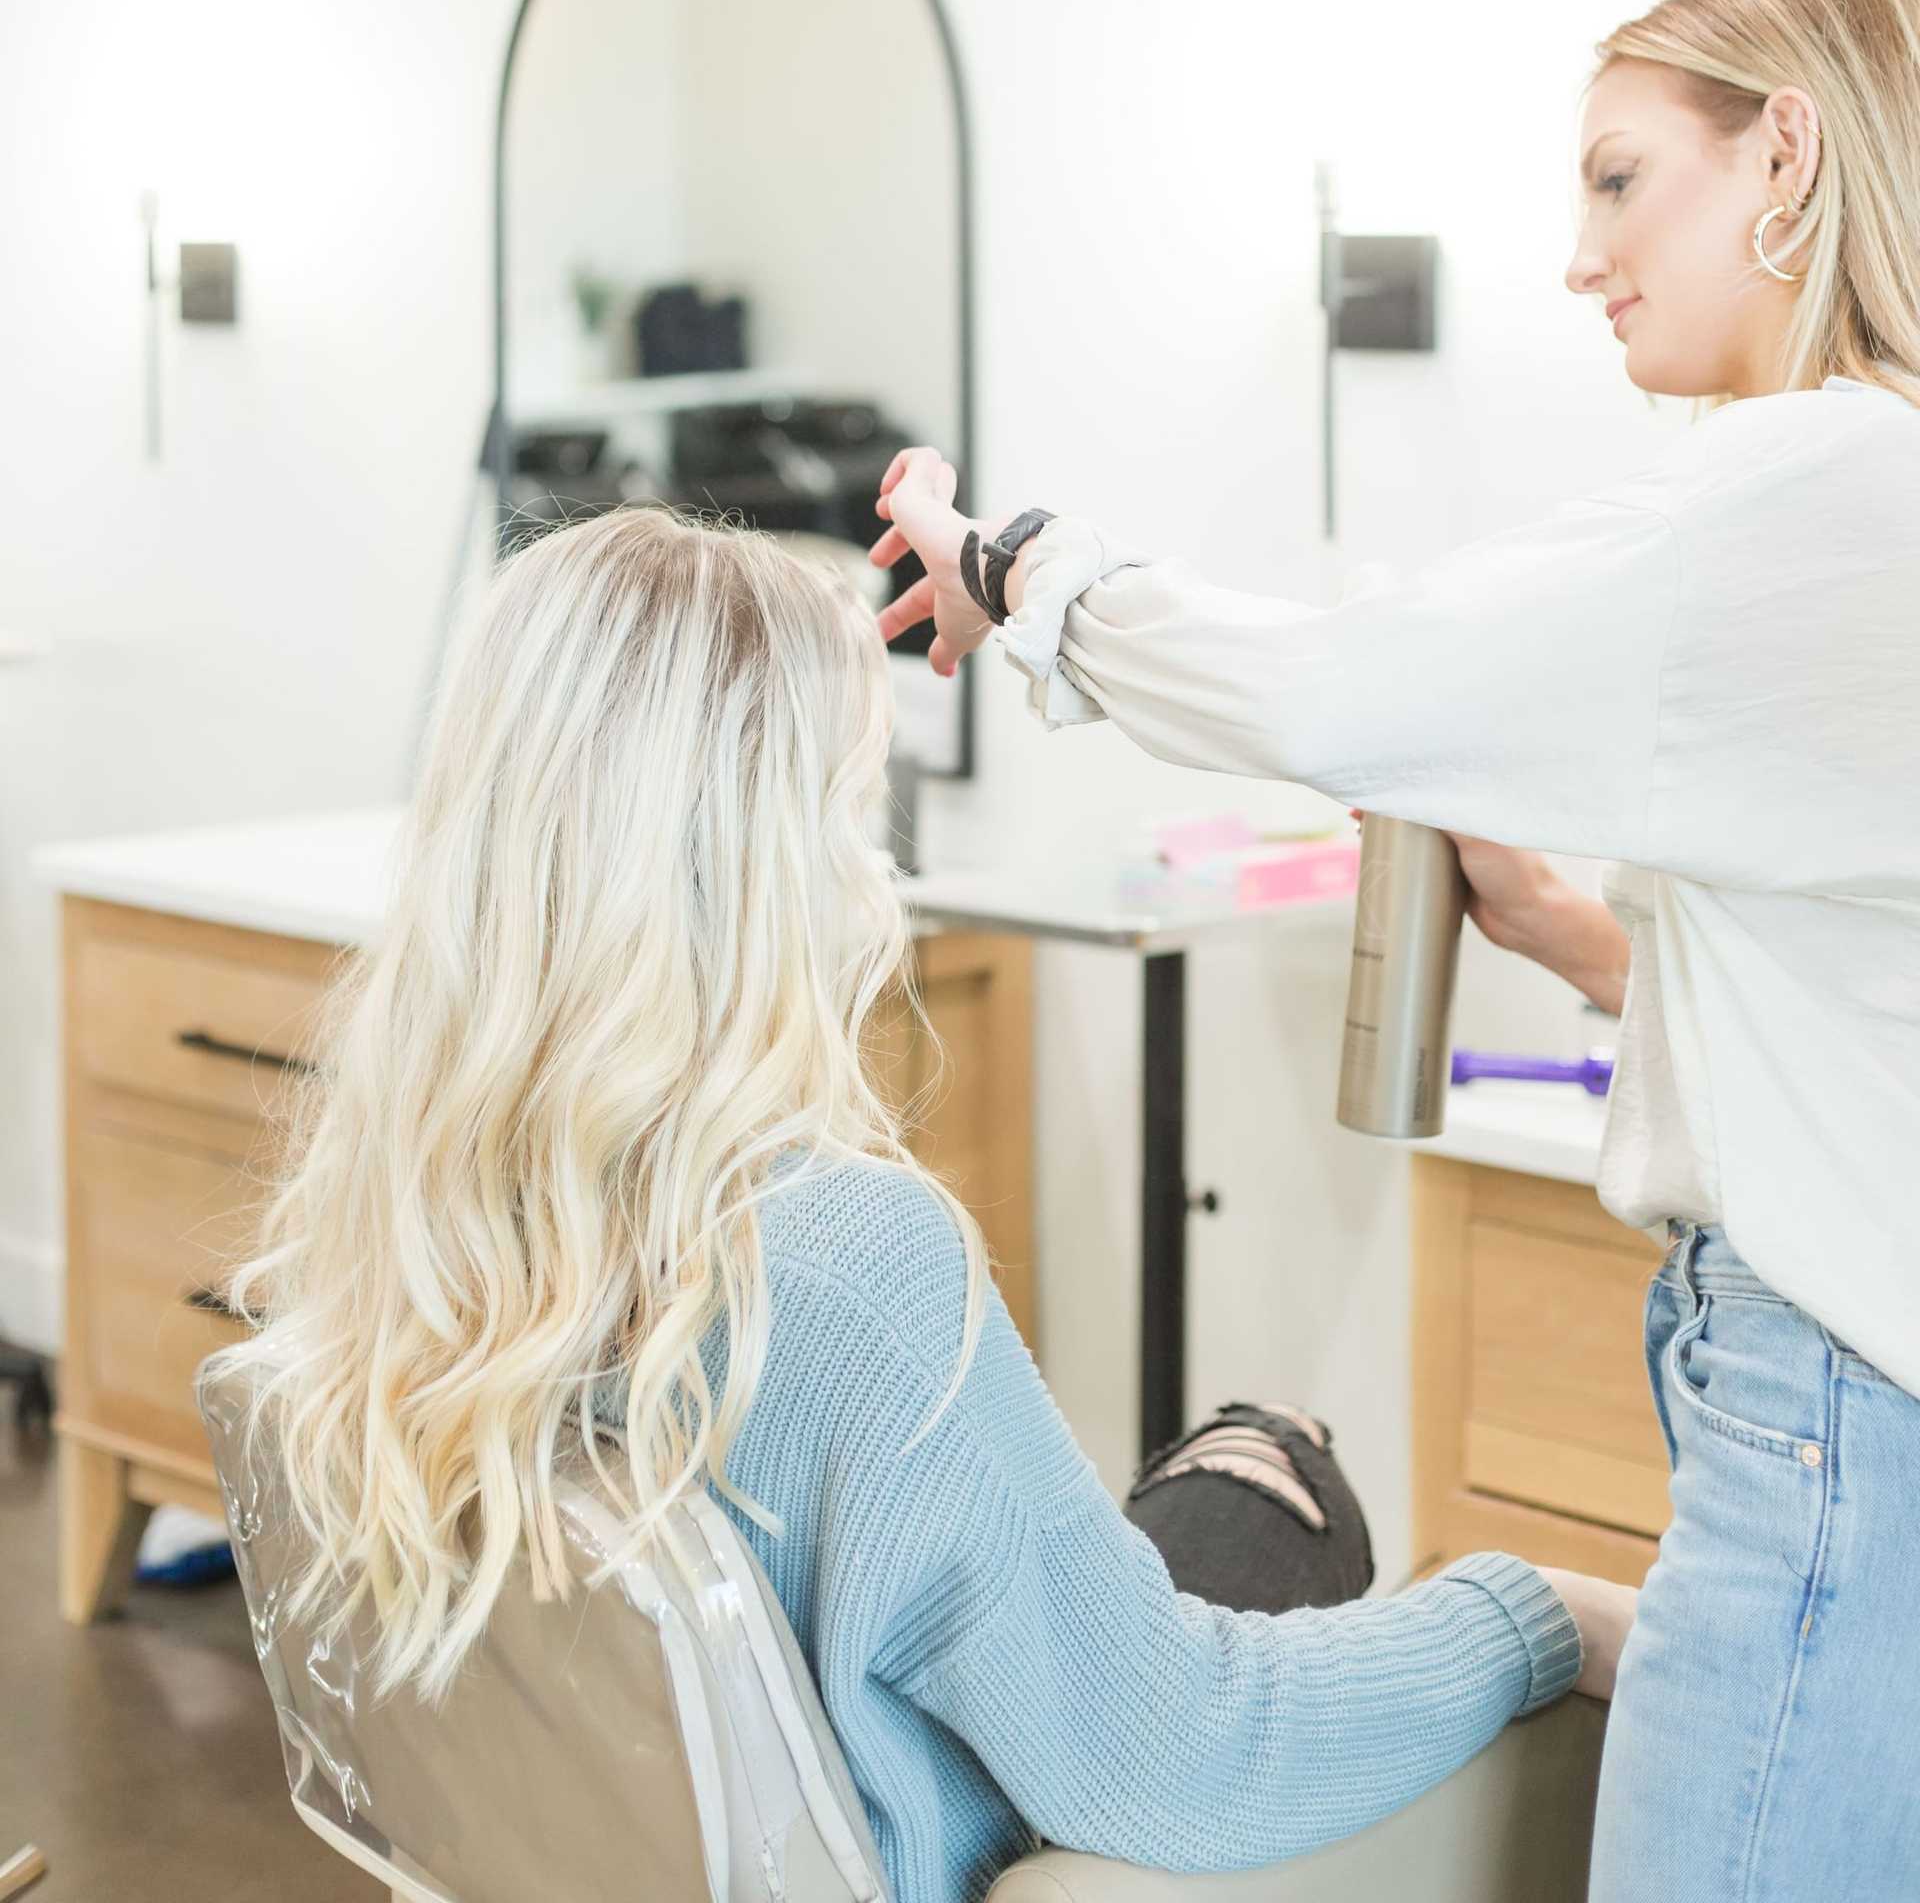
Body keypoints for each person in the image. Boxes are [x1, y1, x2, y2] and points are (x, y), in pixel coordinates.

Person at [871, 0, 1920, 1901]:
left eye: (1620, 179)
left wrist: (1024, 568)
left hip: (1833, 1409)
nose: (1582, 257)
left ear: (1788, 153)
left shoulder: (1827, 478)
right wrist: (1570, 935)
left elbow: (1347, 686)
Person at [211, 508, 1624, 1903]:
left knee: (1228, 1483)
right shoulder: (839, 1262)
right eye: (855, 804)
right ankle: (1277, 1454)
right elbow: (1182, 1754)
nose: (875, 865)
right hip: (981, 1847)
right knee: (1290, 1484)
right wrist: (1533, 1611)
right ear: (774, 851)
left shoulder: (411, 1199)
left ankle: (1253, 1455)